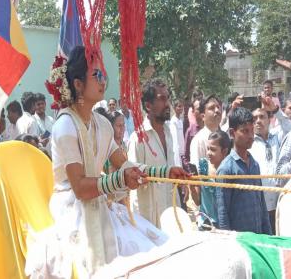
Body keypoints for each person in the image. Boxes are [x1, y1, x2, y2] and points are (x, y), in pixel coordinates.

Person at [25, 46, 189, 277]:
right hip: (72, 212)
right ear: (78, 84)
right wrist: (119, 180)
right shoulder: (65, 125)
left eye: (103, 74)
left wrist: (164, 171)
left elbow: (124, 164)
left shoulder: (101, 124)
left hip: (101, 206)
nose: (103, 80)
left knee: (154, 252)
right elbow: (81, 189)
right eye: (96, 75)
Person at [127, 79, 182, 227]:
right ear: (148, 106)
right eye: (162, 99)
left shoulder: (169, 132)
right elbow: (133, 177)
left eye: (168, 98)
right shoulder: (137, 138)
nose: (167, 104)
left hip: (171, 214)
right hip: (148, 220)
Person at [216, 107, 272, 234]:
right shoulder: (226, 169)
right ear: (232, 133)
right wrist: (229, 242)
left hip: (257, 238)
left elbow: (262, 204)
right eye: (245, 131)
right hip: (239, 241)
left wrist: (268, 236)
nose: (251, 136)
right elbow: (222, 212)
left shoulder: (254, 165)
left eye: (252, 130)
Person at [190, 130, 231, 230]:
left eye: (213, 149)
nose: (208, 153)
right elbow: (198, 201)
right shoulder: (203, 167)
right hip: (205, 223)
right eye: (207, 149)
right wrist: (191, 186)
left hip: (224, 224)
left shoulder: (230, 170)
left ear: (224, 151)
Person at [248, 108, 280, 232]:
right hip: (259, 206)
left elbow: (290, 128)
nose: (258, 121)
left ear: (270, 120)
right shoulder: (249, 143)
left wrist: (276, 109)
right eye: (254, 119)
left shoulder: (278, 137)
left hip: (278, 203)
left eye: (262, 117)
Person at [190, 95, 222, 168]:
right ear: (203, 116)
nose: (217, 110)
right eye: (212, 108)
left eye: (218, 107)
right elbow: (198, 171)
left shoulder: (225, 136)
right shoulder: (199, 140)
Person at [183, 98, 203, 166]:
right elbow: (186, 156)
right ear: (193, 111)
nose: (201, 110)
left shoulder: (212, 127)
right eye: (198, 108)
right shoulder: (190, 130)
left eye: (202, 108)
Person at [170, 99, 185, 164]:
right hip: (177, 152)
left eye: (182, 106)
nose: (181, 108)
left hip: (182, 151)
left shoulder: (180, 121)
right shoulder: (173, 122)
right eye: (179, 106)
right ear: (174, 108)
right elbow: (175, 140)